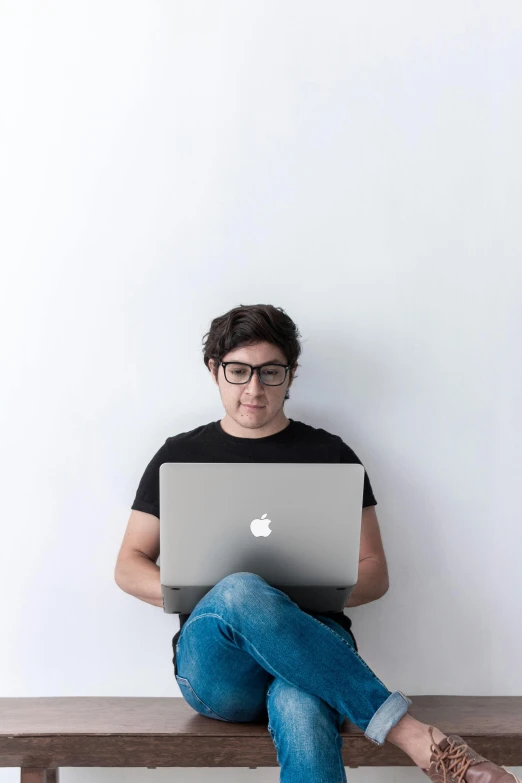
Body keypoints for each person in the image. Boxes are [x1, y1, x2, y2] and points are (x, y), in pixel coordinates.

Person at [115, 303, 519, 783]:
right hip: (219, 671)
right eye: (239, 371)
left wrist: (294, 599)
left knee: (302, 699)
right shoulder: (179, 457)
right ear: (214, 370)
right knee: (241, 589)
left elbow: (374, 571)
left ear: (291, 375)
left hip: (318, 657)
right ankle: (415, 737)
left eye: (270, 373)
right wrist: (224, 599)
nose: (254, 388)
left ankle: (409, 735)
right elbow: (129, 565)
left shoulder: (332, 456)